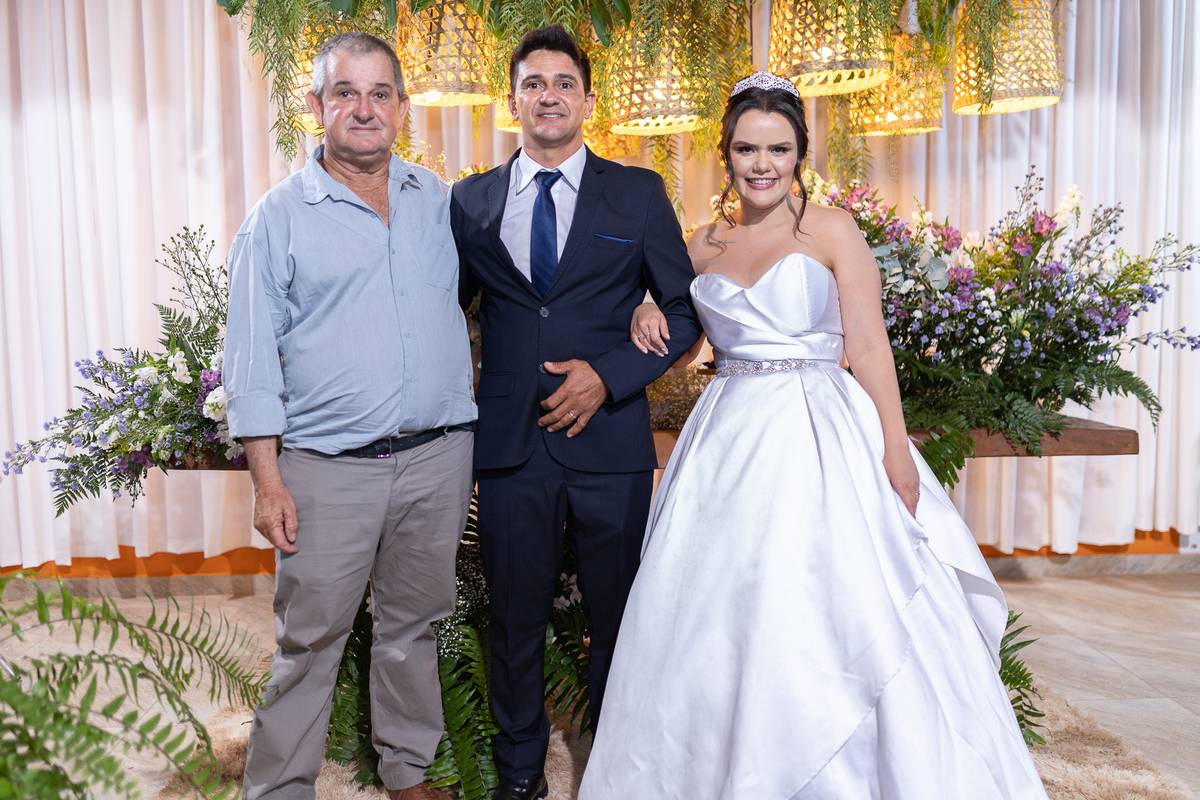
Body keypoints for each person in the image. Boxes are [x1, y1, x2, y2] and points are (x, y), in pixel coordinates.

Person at [578, 72, 1051, 799]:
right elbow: (679, 328)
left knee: (826, 592)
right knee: (718, 603)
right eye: (746, 148)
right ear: (725, 152)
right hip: (728, 437)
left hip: (821, 428)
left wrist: (897, 450)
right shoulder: (699, 243)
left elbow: (868, 344)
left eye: (778, 149)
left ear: (801, 153)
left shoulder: (832, 229)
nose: (761, 164)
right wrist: (647, 308)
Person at [449, 24, 703, 800]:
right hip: (511, 445)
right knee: (513, 617)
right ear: (512, 101)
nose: (549, 95)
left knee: (620, 616)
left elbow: (686, 314)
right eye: (534, 83)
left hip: (611, 441)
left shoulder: (637, 192)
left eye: (564, 83)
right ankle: (521, 770)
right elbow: (445, 311)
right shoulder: (469, 201)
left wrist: (610, 375)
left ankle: (619, 767)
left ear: (588, 101)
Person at [224, 32, 474, 800]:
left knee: (414, 628)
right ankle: (278, 789)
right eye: (345, 93)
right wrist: (267, 483)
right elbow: (251, 363)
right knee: (309, 642)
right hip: (326, 470)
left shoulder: (438, 201)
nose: (364, 109)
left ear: (401, 105)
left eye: (378, 93)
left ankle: (407, 772)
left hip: (436, 457)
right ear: (317, 105)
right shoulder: (277, 218)